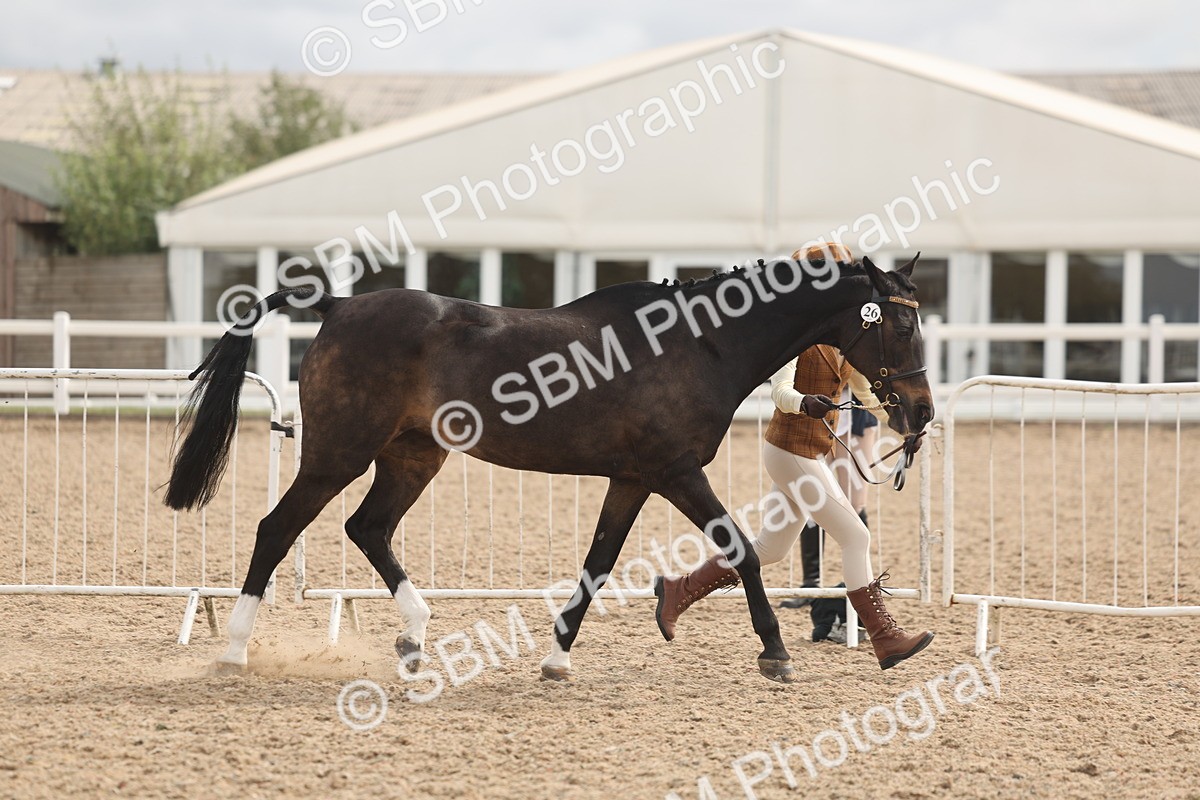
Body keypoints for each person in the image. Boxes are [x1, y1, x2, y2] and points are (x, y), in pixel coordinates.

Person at [653, 243, 934, 670]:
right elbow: (780, 393)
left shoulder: (845, 338)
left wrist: (907, 426)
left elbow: (867, 395)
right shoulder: (797, 339)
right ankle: (884, 635)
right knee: (856, 536)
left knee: (769, 548)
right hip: (789, 451)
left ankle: (679, 589)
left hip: (807, 453)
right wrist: (805, 403)